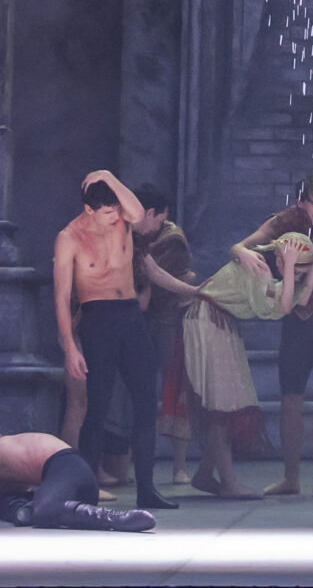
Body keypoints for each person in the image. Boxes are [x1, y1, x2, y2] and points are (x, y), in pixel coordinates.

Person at [227, 173, 313, 497]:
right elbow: (240, 245)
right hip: (298, 321)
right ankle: (290, 477)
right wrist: (243, 253)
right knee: (290, 401)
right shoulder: (285, 221)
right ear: (301, 202)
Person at [53, 170, 174, 511]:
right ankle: (87, 491)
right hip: (97, 320)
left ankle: (147, 489)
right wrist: (70, 346)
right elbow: (62, 297)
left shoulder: (124, 218)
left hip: (130, 316)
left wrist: (107, 175)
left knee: (146, 404)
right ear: (89, 210)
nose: (113, 219)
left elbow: (137, 213)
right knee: (97, 407)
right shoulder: (69, 237)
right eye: (106, 213)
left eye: (115, 211)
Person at [182, 225, 313, 497]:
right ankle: (228, 482)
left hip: (221, 320)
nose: (296, 277)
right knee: (223, 404)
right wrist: (289, 266)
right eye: (295, 270)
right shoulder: (259, 266)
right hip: (208, 317)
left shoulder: (276, 270)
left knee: (231, 401)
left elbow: (300, 299)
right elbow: (282, 308)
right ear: (283, 260)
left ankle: (205, 474)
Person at [132, 183, 200, 485]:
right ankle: (123, 465)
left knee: (176, 389)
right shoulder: (130, 236)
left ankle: (179, 465)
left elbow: (160, 277)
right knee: (136, 392)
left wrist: (195, 290)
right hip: (133, 318)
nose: (162, 224)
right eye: (159, 219)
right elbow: (148, 277)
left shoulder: (171, 239)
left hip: (168, 318)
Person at [0, 426, 158, 531]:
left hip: (65, 469)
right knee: (23, 504)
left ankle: (114, 518)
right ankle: (24, 509)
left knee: (42, 510)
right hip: (80, 477)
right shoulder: (13, 446)